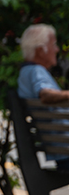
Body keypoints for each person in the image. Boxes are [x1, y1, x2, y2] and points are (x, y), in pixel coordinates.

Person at [18, 24, 69, 169]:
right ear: (40, 50)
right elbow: (45, 94)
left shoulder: (26, 73)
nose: (57, 49)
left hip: (60, 148)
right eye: (53, 45)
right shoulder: (36, 71)